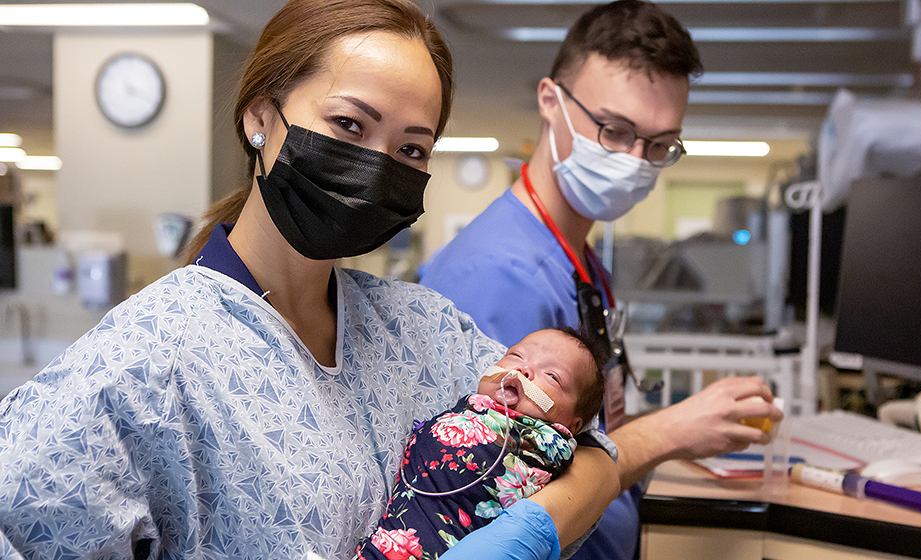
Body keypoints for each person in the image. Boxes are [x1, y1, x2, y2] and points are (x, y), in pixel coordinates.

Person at [0, 1, 621, 558]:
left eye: (411, 150)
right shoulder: (148, 360)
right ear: (259, 119)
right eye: (350, 126)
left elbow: (591, 454)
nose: (377, 167)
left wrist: (532, 531)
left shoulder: (423, 332)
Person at [418, 1, 785, 559]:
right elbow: (495, 485)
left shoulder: (579, 262)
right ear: (551, 102)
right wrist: (669, 433)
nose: (635, 161)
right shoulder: (499, 275)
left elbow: (573, 430)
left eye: (659, 145)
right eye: (614, 130)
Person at [358, 327, 607, 560]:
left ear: (573, 426)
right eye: (516, 355)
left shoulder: (540, 444)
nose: (525, 370)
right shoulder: (472, 408)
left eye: (552, 376)